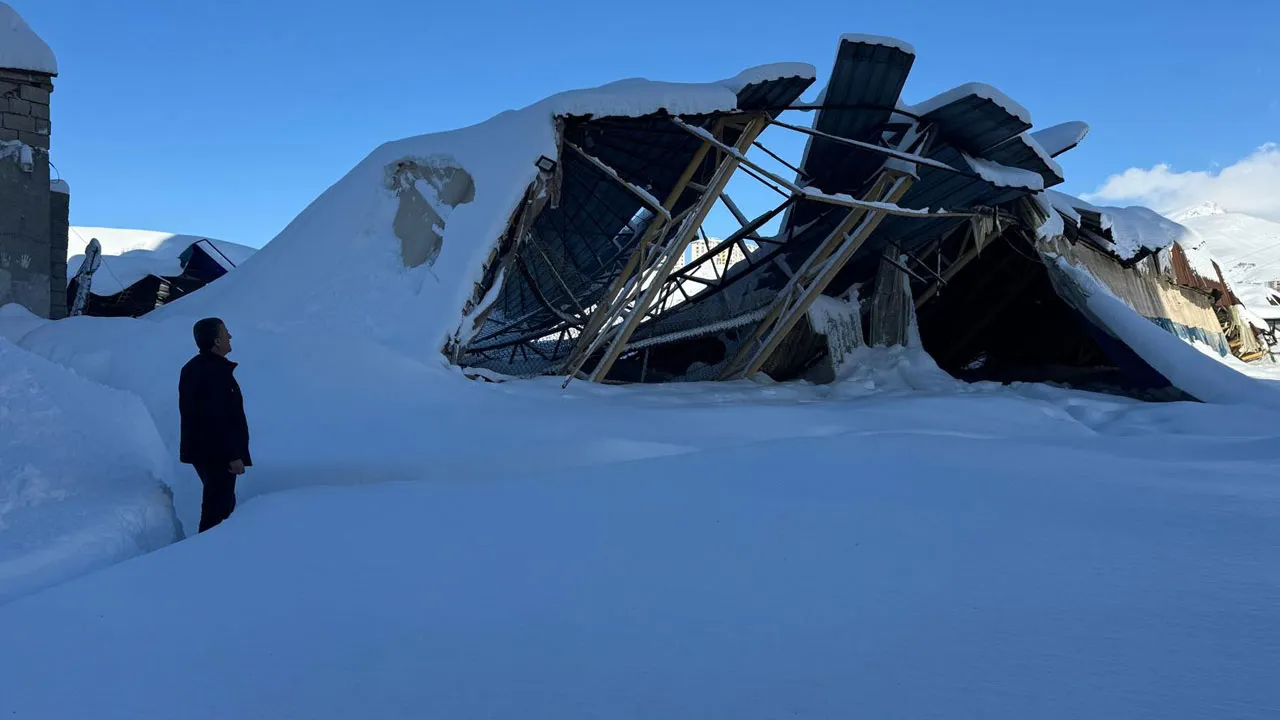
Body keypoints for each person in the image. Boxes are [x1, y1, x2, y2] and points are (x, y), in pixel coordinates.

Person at [179, 317, 251, 533]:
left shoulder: (195, 368)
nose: (229, 336)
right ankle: (207, 556)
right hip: (218, 454)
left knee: (220, 505)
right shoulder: (214, 373)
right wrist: (232, 455)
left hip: (205, 452)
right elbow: (216, 417)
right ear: (216, 341)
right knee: (217, 512)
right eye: (225, 332)